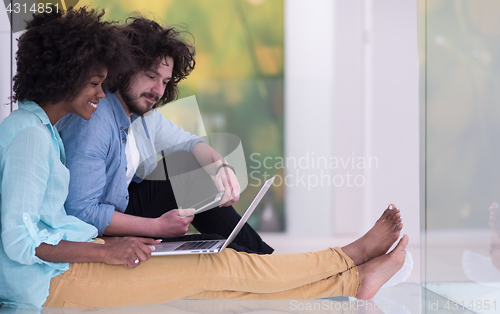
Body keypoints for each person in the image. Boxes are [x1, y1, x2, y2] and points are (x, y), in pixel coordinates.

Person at [0, 7, 409, 310]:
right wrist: (108, 249)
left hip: (58, 268)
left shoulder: (42, 131)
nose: (99, 92)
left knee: (218, 274)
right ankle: (350, 260)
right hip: (45, 284)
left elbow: (49, 223)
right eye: (94, 83)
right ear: (64, 77)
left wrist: (215, 167)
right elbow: (22, 241)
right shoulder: (32, 135)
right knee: (219, 268)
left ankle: (353, 280)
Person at [56, 17, 273, 254]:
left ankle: (263, 258)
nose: (158, 90)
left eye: (165, 81)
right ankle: (265, 260)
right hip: (94, 231)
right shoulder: (94, 121)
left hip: (122, 208)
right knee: (215, 243)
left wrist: (220, 166)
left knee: (187, 166)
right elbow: (82, 213)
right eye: (151, 76)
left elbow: (191, 144)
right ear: (121, 71)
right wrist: (157, 226)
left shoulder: (142, 116)